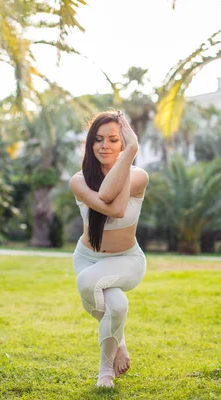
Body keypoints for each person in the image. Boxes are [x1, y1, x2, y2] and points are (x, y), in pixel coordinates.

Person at [69, 110, 149, 388]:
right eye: (98, 139)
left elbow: (113, 205)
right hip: (87, 258)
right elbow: (108, 199)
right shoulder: (79, 181)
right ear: (90, 144)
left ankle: (111, 357)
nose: (105, 145)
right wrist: (130, 149)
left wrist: (132, 150)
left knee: (88, 283)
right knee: (117, 305)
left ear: (123, 144)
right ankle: (107, 371)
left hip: (127, 261)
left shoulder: (138, 176)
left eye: (114, 139)